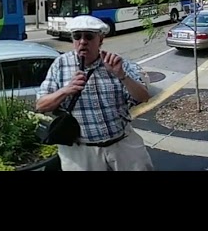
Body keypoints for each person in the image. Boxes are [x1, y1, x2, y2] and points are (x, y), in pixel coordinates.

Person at [35, 15, 154, 171]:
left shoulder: (115, 62)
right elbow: (41, 106)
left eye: (89, 36)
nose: (83, 41)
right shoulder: (60, 64)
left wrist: (122, 75)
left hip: (122, 144)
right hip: (81, 151)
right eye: (77, 36)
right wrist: (66, 90)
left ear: (101, 39)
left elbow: (143, 97)